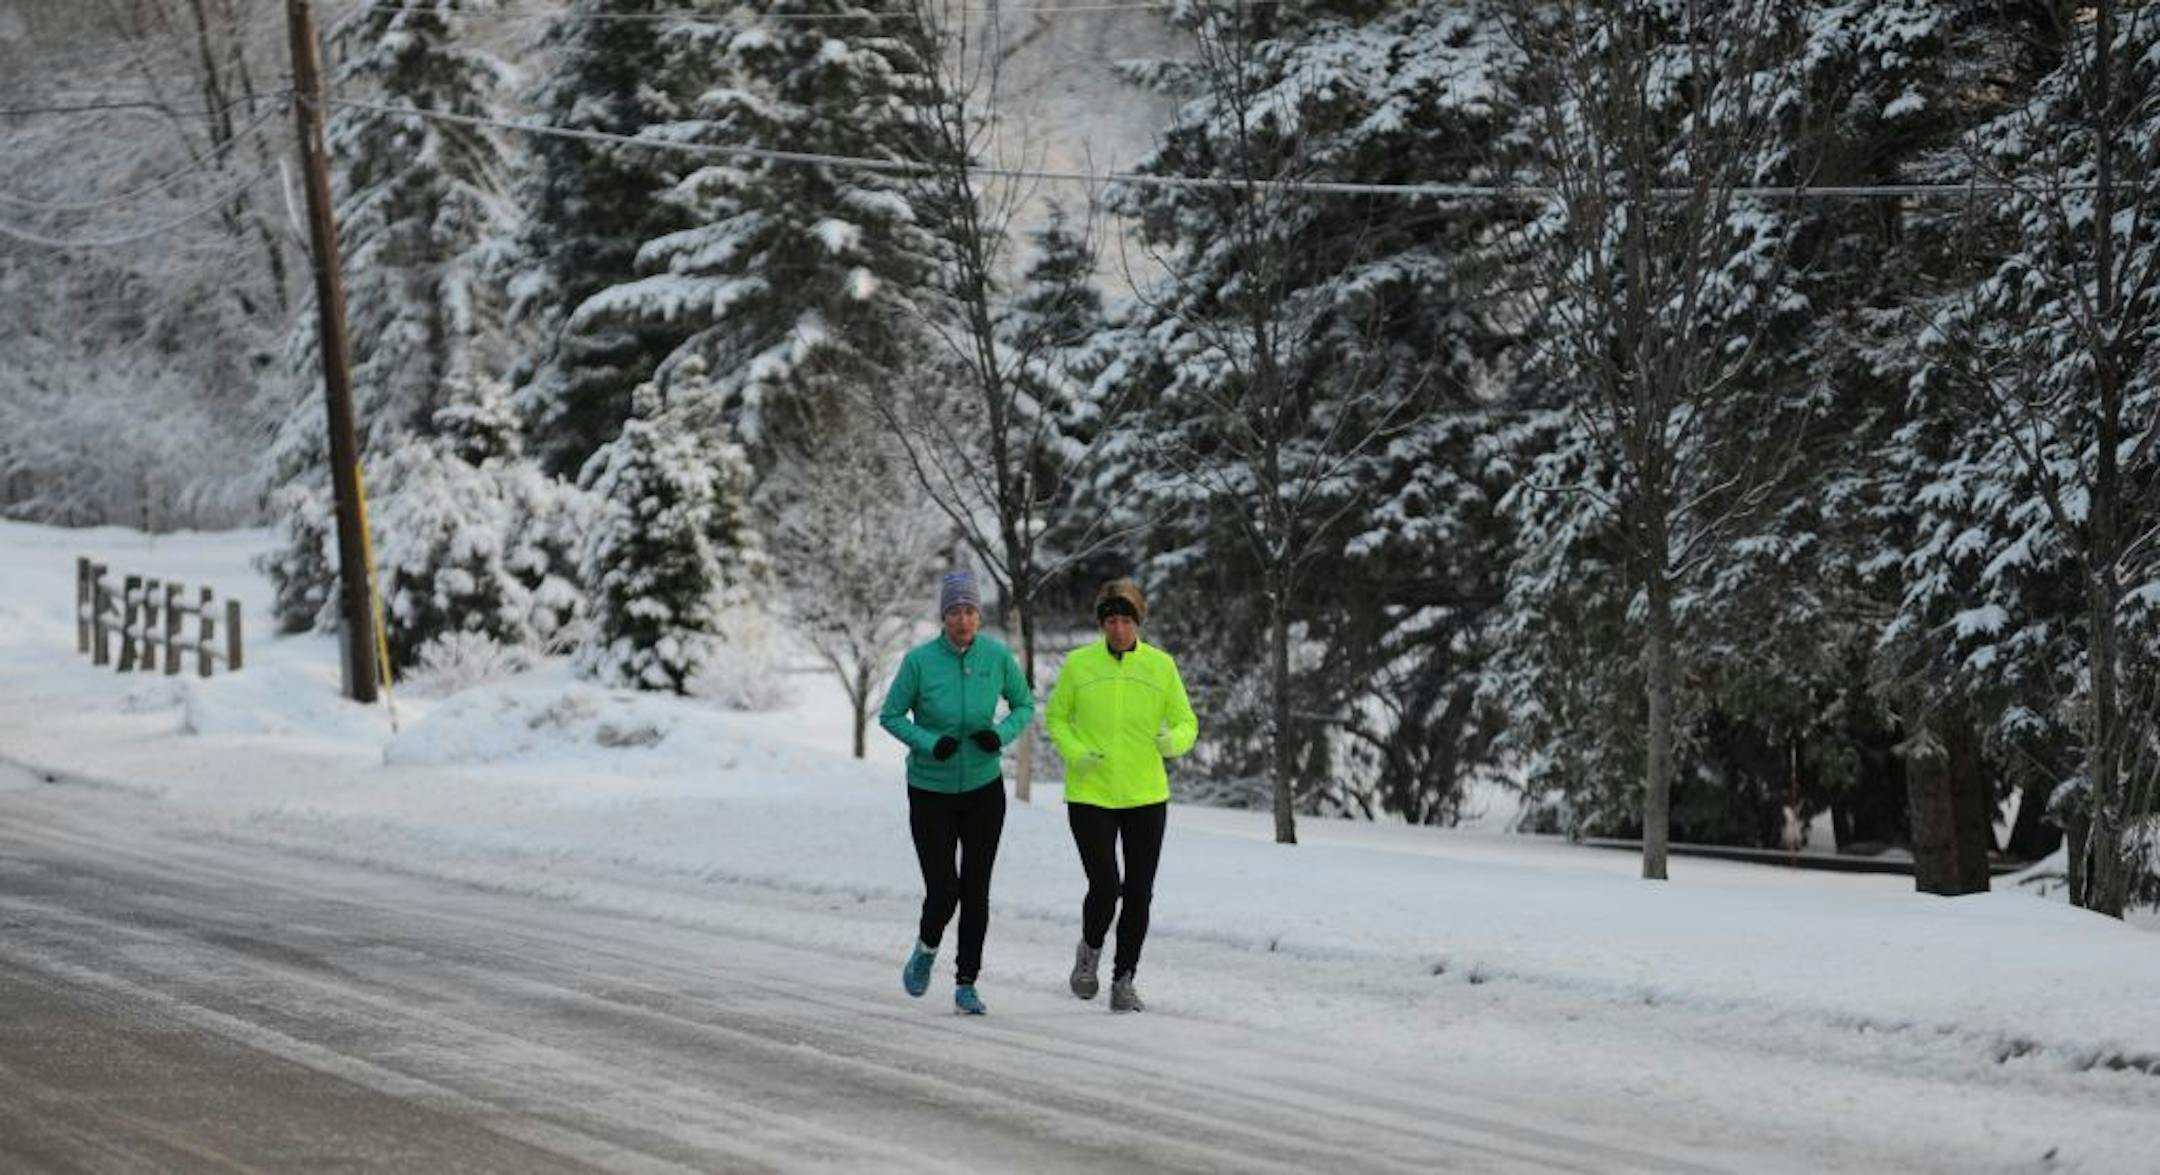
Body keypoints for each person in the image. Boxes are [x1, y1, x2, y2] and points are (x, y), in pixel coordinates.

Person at [878, 569, 1034, 1016]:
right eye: (954, 612)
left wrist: (1000, 734)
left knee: (976, 891)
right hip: (931, 791)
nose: (963, 620)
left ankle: (967, 984)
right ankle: (926, 950)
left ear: (979, 616)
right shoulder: (919, 662)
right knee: (944, 890)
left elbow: (1024, 704)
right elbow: (891, 716)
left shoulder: (996, 656)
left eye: (969, 611)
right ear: (943, 618)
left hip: (984, 790)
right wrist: (930, 743)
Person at [1043, 578, 1197, 1013]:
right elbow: (1057, 717)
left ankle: (1124, 979)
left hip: (1145, 794)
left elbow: (1187, 721)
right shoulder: (1079, 664)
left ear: (1138, 622)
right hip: (1090, 793)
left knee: (1140, 892)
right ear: (1101, 624)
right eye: (1110, 621)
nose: (1118, 628)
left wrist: (1173, 742)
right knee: (1106, 885)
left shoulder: (1161, 666)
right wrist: (1075, 753)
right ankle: (1089, 951)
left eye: (1126, 620)